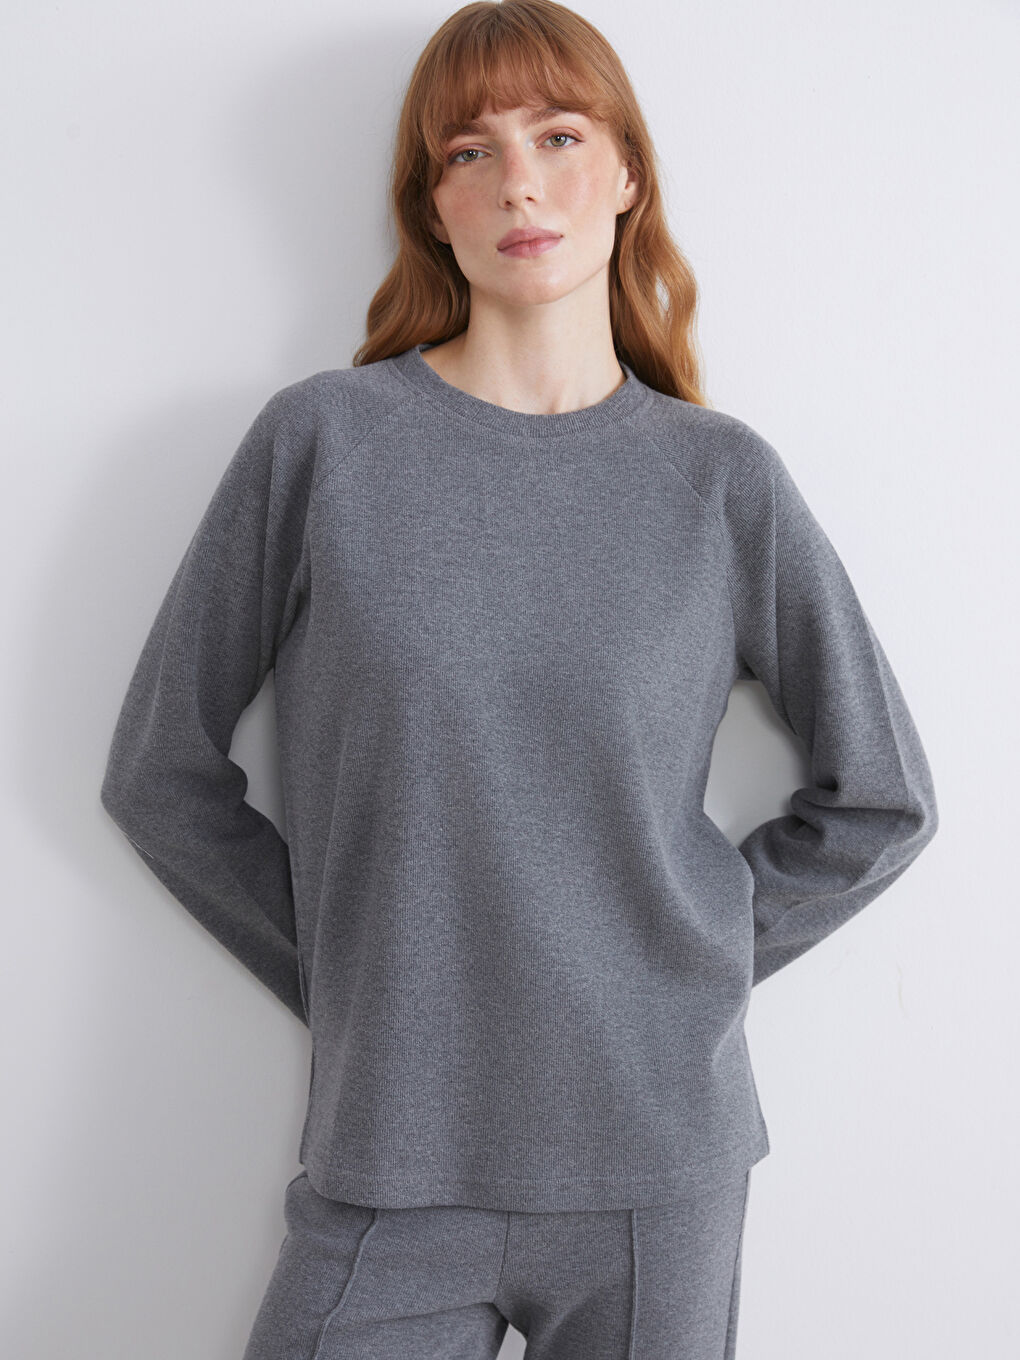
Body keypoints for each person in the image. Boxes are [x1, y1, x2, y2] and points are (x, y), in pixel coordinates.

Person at [99, 2, 939, 1357]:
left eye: (558, 136)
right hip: (392, 1154)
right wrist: (368, 978)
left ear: (627, 173)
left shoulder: (719, 481)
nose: (518, 184)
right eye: (468, 152)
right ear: (432, 207)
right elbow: (159, 776)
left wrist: (672, 971)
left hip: (656, 1166)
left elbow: (883, 799)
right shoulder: (324, 445)